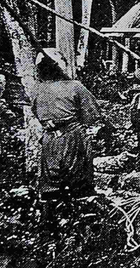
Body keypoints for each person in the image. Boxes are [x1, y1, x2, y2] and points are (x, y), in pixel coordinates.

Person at [31, 49, 102, 228]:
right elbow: (92, 113)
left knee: (50, 185)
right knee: (80, 182)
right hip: (72, 138)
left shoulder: (38, 89)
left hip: (50, 141)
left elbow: (37, 113)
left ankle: (50, 228)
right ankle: (84, 226)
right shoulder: (74, 86)